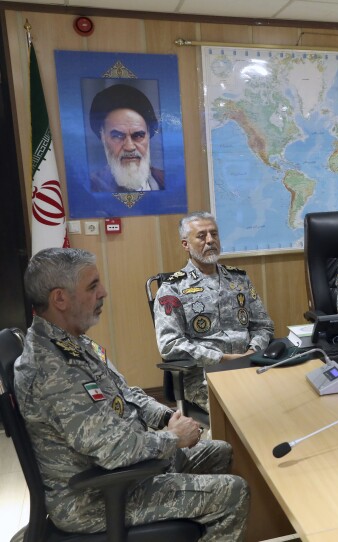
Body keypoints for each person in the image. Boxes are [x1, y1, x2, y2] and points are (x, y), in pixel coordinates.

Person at [15, 247, 249, 539]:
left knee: (221, 453)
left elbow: (125, 393)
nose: (103, 292)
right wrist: (174, 438)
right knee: (232, 493)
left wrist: (167, 417)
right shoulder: (51, 370)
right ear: (59, 298)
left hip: (129, 468)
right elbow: (114, 451)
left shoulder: (71, 341)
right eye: (92, 286)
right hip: (95, 496)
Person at [154, 212, 274, 413]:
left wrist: (253, 351)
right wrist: (220, 358)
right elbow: (170, 344)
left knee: (287, 396)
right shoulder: (172, 288)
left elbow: (263, 325)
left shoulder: (239, 280)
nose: (210, 240)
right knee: (244, 409)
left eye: (214, 234)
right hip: (204, 374)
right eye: (201, 236)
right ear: (186, 244)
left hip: (251, 364)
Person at [88, 83, 165, 192]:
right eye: (118, 136)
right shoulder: (89, 187)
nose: (129, 147)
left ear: (148, 135)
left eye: (138, 135)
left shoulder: (165, 181)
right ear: (103, 137)